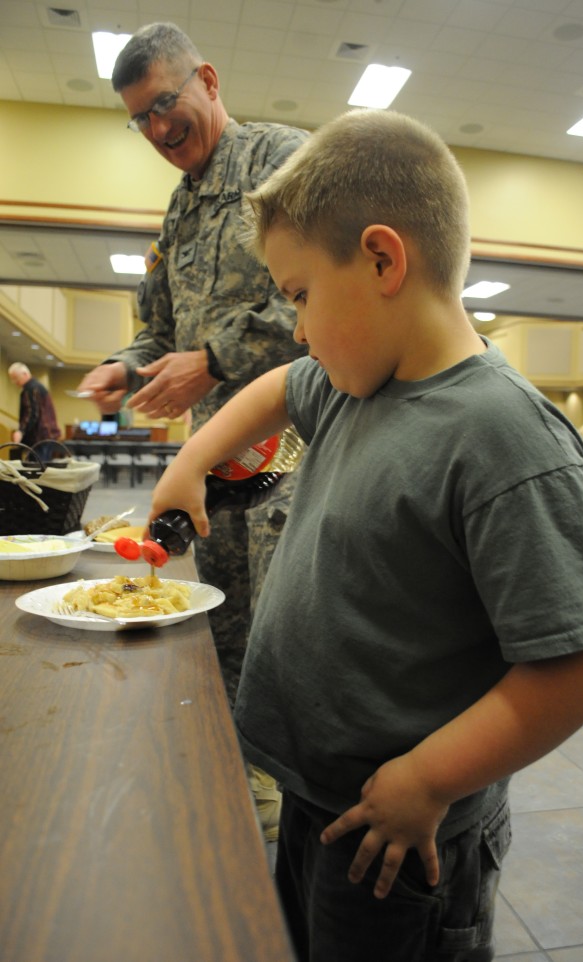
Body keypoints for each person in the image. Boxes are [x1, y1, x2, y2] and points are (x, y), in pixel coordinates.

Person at [145, 108, 583, 962]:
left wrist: (428, 778)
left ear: (381, 259)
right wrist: (191, 462)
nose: (296, 327)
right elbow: (273, 389)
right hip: (313, 792)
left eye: (300, 296)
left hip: (398, 829)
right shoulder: (352, 382)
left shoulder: (500, 433)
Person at [76, 23, 309, 839]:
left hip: (295, 450)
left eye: (165, 105)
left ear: (207, 80)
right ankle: (245, 799)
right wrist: (126, 367)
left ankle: (304, 798)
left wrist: (214, 358)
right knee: (222, 624)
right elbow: (160, 329)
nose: (157, 130)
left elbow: (322, 300)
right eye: (140, 119)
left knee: (291, 631)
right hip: (212, 463)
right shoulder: (178, 210)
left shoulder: (284, 160)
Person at [8, 362, 61, 461]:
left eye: (16, 378)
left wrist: (21, 431)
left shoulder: (31, 388)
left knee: (36, 469)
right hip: (47, 435)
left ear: (25, 374)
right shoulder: (37, 386)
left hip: (39, 437)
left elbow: (32, 412)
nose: (15, 382)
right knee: (43, 467)